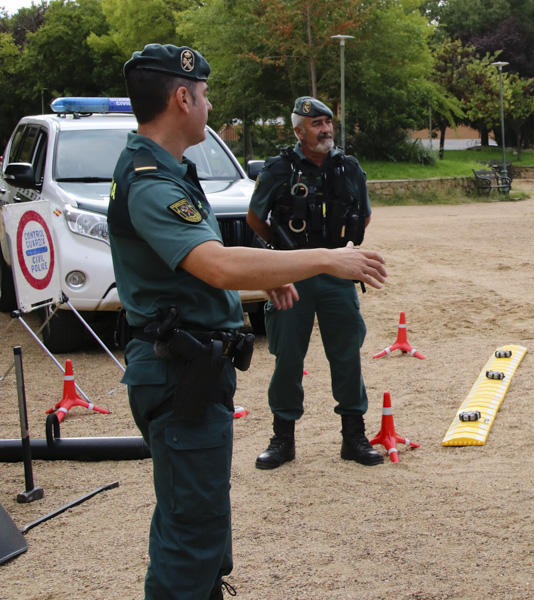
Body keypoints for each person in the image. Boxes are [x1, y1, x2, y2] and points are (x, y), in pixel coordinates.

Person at [110, 44, 386, 599]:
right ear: (182, 97)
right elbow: (215, 262)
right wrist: (325, 258)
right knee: (190, 527)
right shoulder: (152, 181)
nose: (209, 105)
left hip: (190, 368)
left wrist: (266, 276)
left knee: (200, 518)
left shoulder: (164, 169)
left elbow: (199, 263)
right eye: (205, 94)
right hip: (177, 373)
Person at [247, 96, 383, 469]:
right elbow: (256, 218)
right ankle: (282, 439)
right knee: (287, 356)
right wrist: (279, 253)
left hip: (338, 275)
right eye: (316, 124)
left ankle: (353, 437)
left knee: (346, 355)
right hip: (292, 274)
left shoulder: (349, 168)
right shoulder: (279, 169)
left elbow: (364, 217)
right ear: (298, 130)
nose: (325, 129)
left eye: (328, 122)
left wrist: (341, 254)